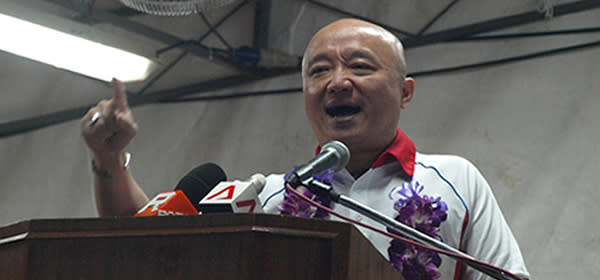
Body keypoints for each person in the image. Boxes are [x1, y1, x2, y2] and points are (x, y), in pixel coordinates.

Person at [81, 18, 529, 280]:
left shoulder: (456, 180)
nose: (337, 81)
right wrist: (107, 159)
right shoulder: (271, 196)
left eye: (359, 66)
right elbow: (144, 236)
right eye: (318, 71)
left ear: (405, 92)